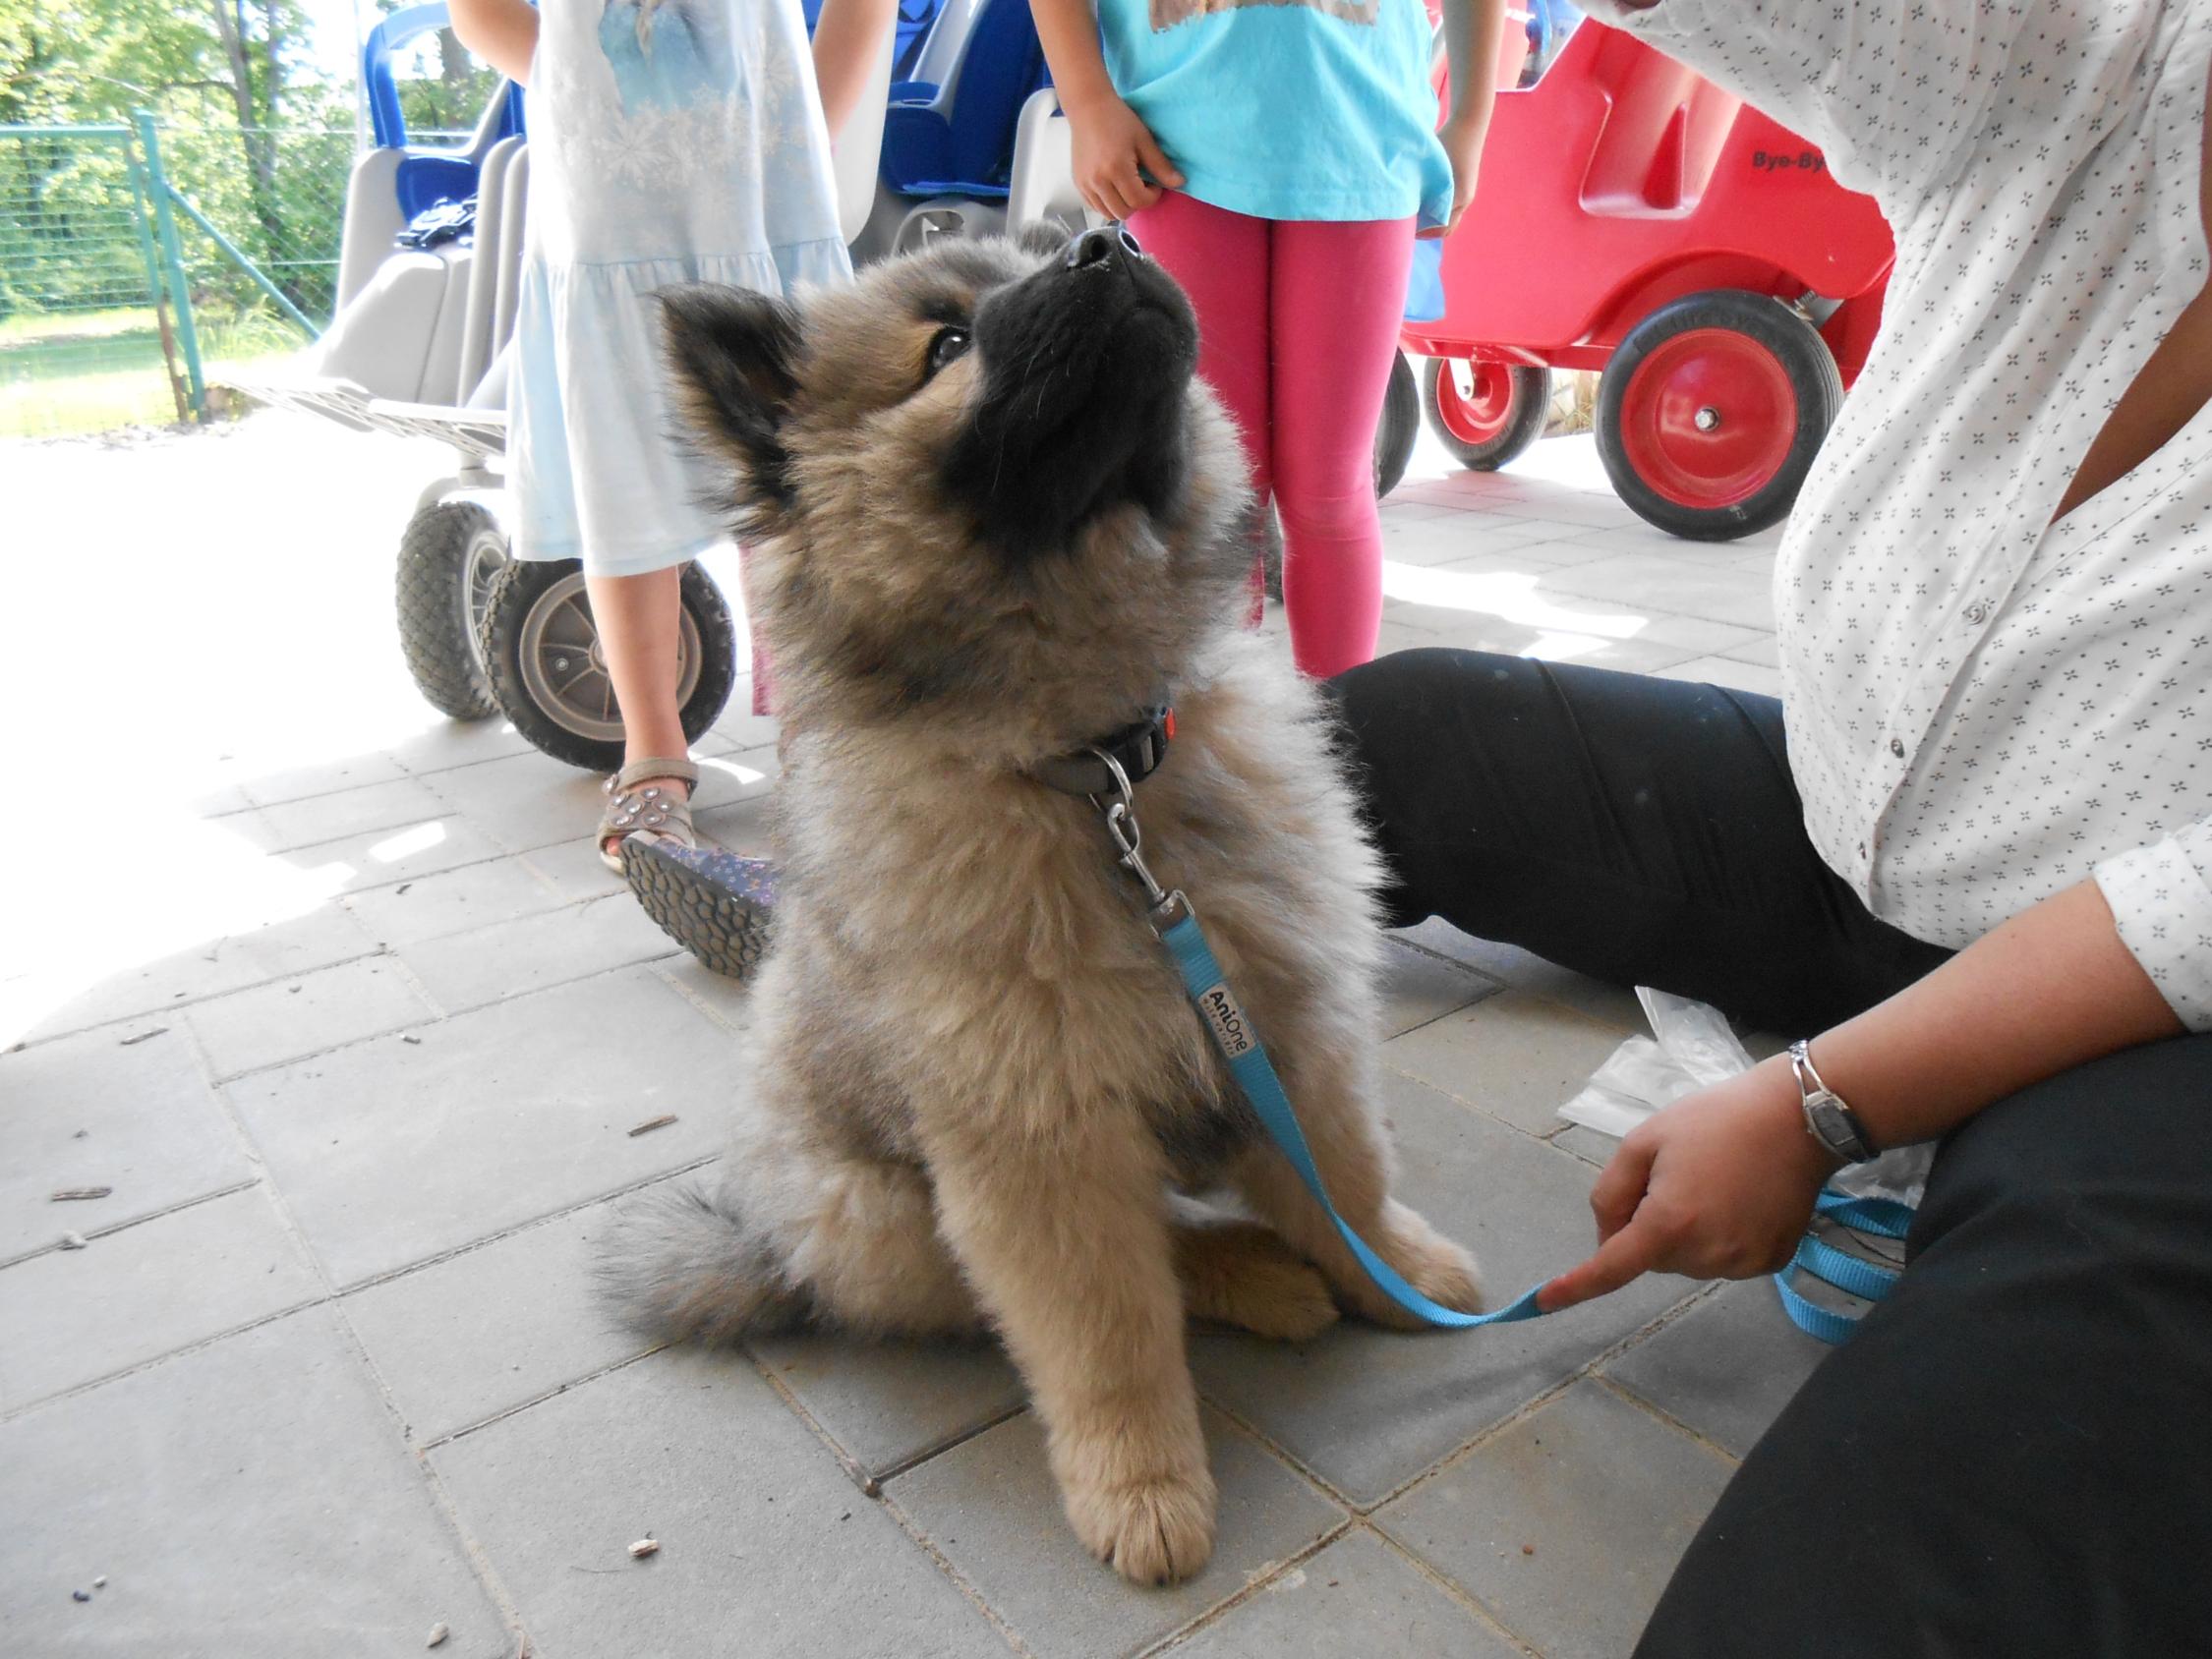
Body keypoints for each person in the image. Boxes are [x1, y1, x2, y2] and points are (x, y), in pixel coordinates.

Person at [1333, 0, 2210, 1648]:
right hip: (1867, 836)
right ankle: (953, 987)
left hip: (2158, 1019)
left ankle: (1955, 1174)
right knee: (1399, 732)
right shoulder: (2103, 58)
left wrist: (1821, 1102)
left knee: (1945, 1520)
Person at [447, 0, 891, 878]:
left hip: (768, 174)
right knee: (622, 457)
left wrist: (796, 118)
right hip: (608, 189)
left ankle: (820, 739)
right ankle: (651, 754)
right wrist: (599, 89)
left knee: (793, 473)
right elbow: (476, 12)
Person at [1031, 0, 1509, 680]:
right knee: (1220, 492)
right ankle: (1225, 758)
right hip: (1176, 139)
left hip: (1364, 136)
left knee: (1328, 492)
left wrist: (1471, 119)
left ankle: (1344, 752)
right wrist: (1085, 99)